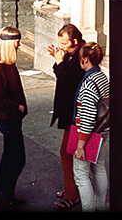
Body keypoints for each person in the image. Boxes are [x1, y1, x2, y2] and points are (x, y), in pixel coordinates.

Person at [47, 24, 85, 210]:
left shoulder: (80, 57)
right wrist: (58, 60)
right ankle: (72, 189)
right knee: (68, 153)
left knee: (67, 153)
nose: (61, 46)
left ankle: (72, 194)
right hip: (71, 113)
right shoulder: (71, 53)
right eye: (59, 42)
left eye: (64, 42)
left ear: (75, 41)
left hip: (76, 114)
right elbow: (61, 75)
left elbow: (69, 82)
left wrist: (61, 62)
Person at [0, 26, 27, 211]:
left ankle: (6, 194)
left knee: (12, 156)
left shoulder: (7, 65)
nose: (19, 45)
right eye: (17, 42)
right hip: (7, 118)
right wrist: (18, 106)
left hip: (11, 117)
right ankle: (4, 196)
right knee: (16, 157)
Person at [73, 42, 110, 212]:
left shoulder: (88, 84)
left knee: (81, 174)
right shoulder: (101, 77)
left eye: (80, 58)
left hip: (89, 135)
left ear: (85, 60)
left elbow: (87, 118)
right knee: (99, 167)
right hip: (103, 131)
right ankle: (101, 206)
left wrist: (80, 145)